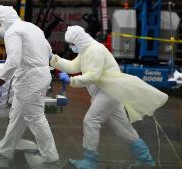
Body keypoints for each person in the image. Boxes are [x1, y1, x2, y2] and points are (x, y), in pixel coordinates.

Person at [50, 25, 168, 169]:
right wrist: (54, 59)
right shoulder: (85, 50)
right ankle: (146, 161)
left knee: (91, 120)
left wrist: (72, 81)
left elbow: (93, 76)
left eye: (72, 44)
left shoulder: (95, 50)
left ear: (79, 41)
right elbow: (73, 66)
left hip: (109, 92)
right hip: (107, 92)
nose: (71, 47)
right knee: (122, 128)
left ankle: (90, 161)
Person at [0, 5, 60, 169]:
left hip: (30, 79)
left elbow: (14, 60)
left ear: (2, 21)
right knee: (17, 118)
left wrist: (1, 80)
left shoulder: (12, 32)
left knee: (35, 118)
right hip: (39, 76)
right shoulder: (32, 27)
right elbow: (49, 52)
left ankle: (51, 160)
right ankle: (4, 154)